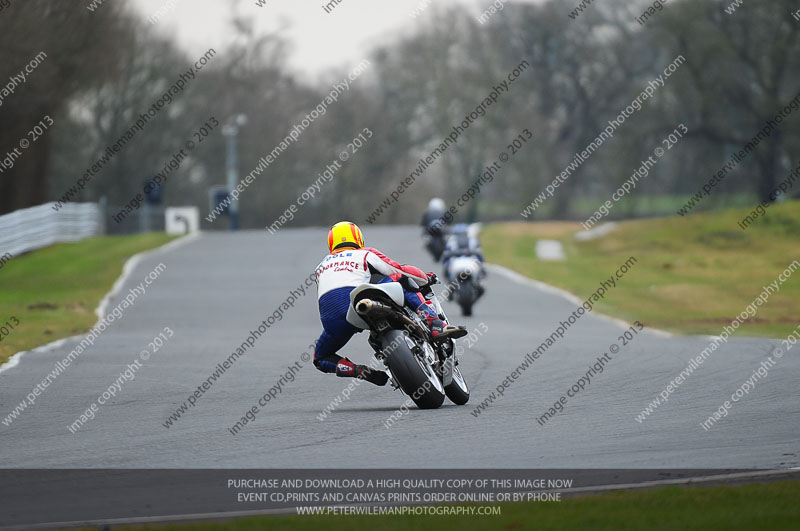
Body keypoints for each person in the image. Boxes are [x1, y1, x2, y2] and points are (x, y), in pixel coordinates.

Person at [313, 221, 466, 386]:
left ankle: (357, 370)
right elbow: (397, 269)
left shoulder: (320, 267)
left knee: (320, 357)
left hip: (333, 318)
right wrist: (424, 278)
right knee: (400, 278)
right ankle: (434, 323)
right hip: (358, 300)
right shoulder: (365, 253)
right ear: (358, 239)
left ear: (331, 243)